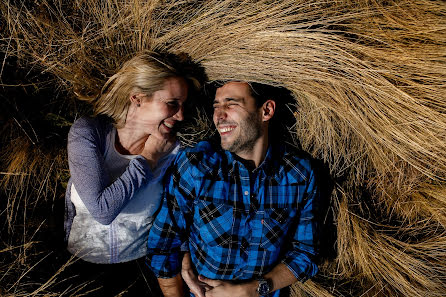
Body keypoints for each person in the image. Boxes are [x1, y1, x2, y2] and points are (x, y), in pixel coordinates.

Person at [147, 81, 321, 297]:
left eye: (230, 104)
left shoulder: (299, 175)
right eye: (216, 106)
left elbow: (306, 252)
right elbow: (163, 246)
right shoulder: (197, 166)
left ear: (266, 111)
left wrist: (250, 290)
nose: (218, 116)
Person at [64, 51, 201, 294]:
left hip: (140, 268)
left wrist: (186, 257)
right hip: (78, 266)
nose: (180, 115)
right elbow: (102, 210)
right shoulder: (89, 133)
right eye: (171, 104)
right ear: (137, 98)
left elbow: (180, 211)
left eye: (183, 105)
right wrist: (148, 158)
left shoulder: (176, 151)